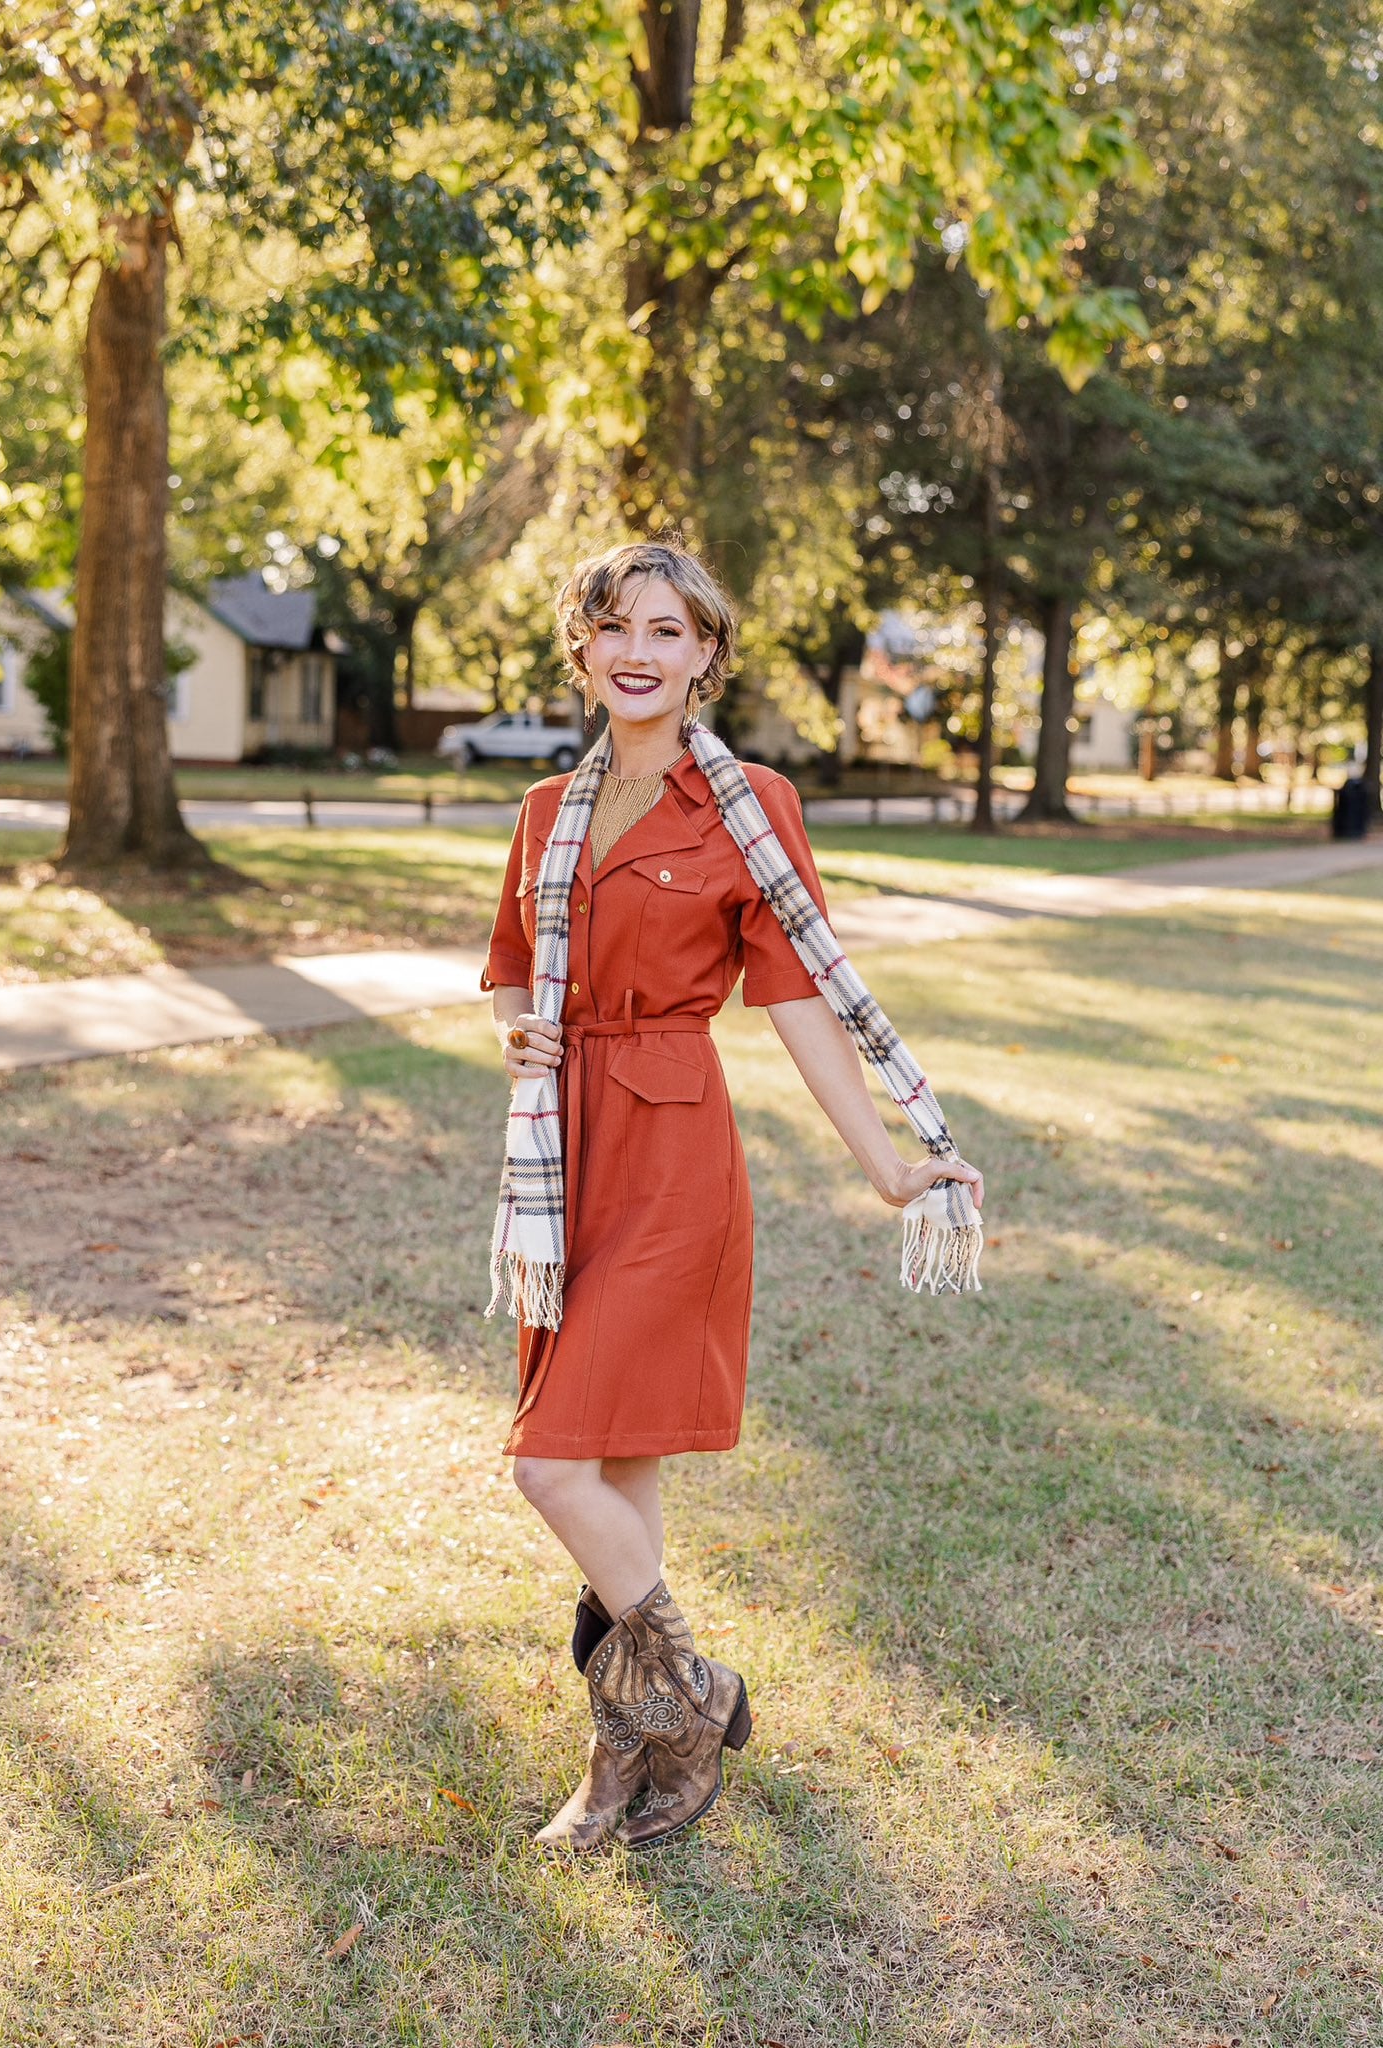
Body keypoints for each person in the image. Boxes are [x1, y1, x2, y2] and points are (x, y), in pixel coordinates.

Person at [481, 538, 984, 1854]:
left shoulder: (749, 803)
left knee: (548, 1464)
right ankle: (628, 1749)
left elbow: (798, 996)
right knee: (616, 1460)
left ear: (706, 653)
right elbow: (510, 970)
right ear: (583, 650)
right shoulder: (547, 809)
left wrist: (888, 1165)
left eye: (667, 630)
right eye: (614, 628)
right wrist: (515, 1030)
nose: (637, 652)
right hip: (564, 1155)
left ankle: (691, 1700)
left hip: (670, 1154)